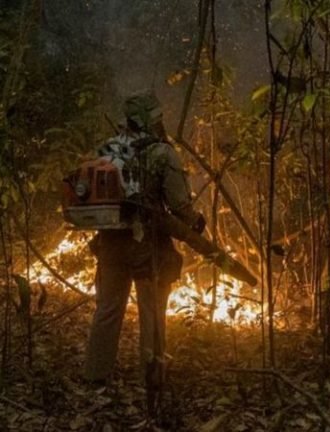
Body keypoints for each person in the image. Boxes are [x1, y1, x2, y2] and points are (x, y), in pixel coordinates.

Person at [83, 91, 204, 410]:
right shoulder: (163, 153)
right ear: (153, 119)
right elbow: (179, 204)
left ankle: (95, 375)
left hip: (110, 244)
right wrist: (196, 222)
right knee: (152, 311)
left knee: (108, 309)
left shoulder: (107, 148)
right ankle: (152, 378)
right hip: (148, 246)